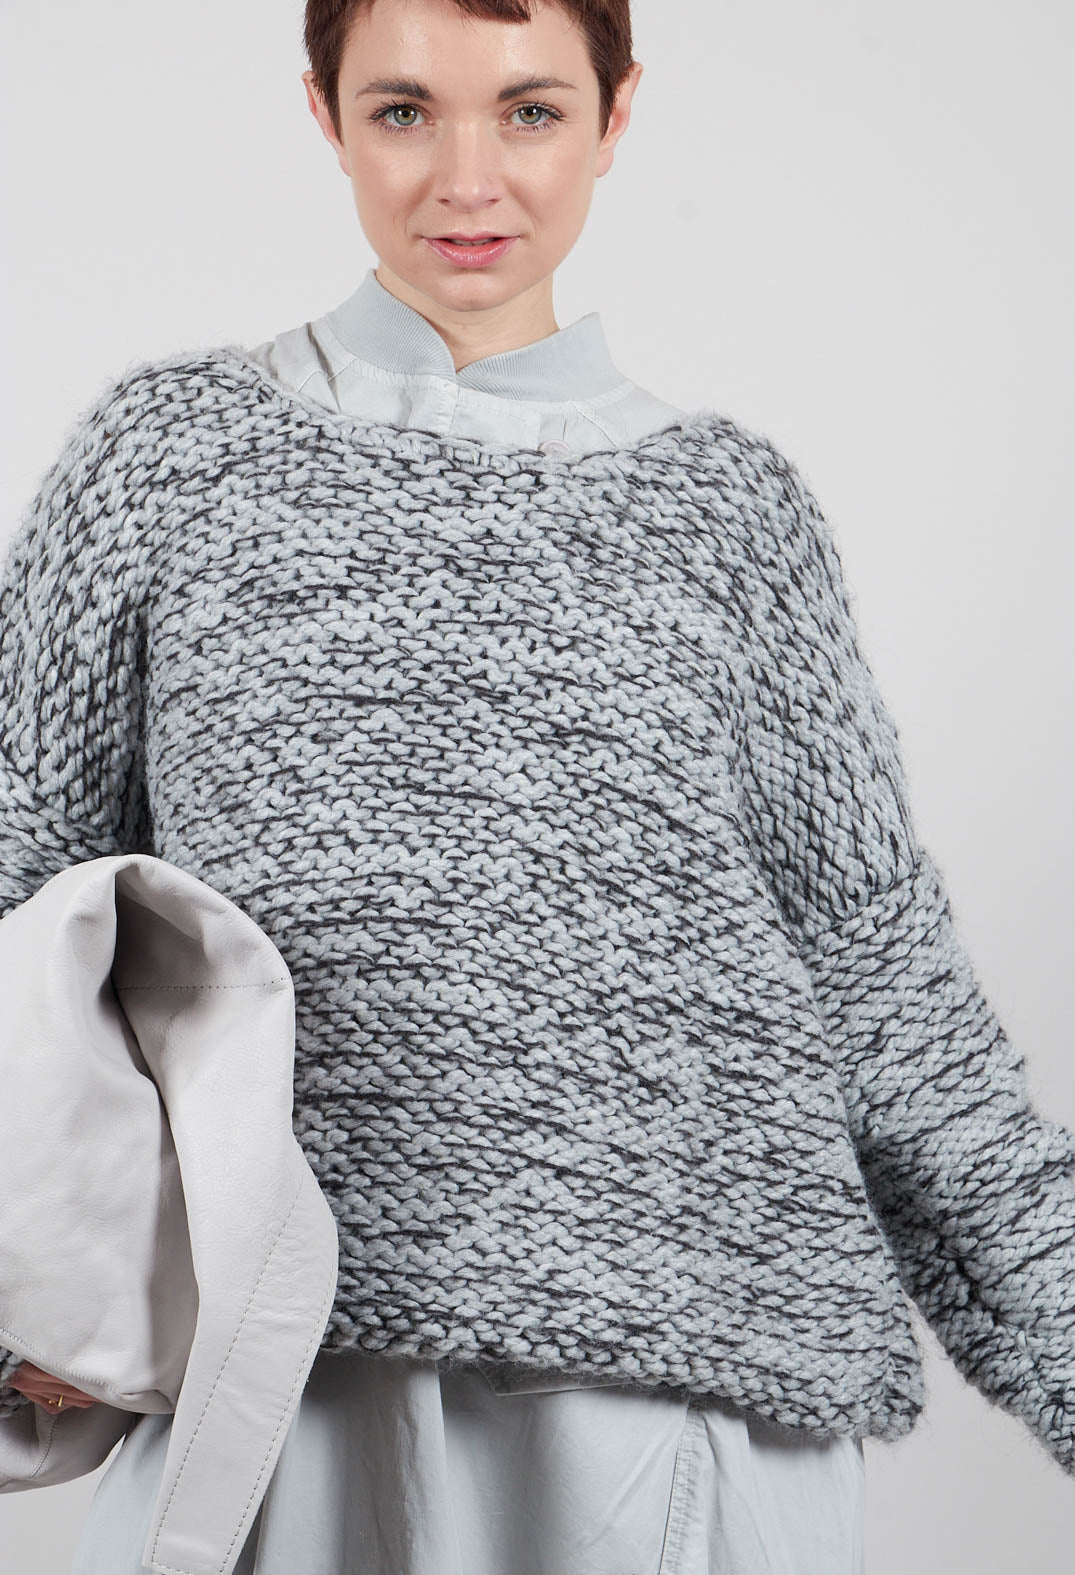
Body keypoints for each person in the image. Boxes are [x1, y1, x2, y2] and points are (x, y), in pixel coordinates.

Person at [1, 1, 1071, 1571]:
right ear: (325, 113)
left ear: (616, 114)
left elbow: (883, 989)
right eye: (403, 110)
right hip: (275, 1378)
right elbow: (23, 891)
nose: (467, 178)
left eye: (531, 111)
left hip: (678, 1402)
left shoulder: (733, 518)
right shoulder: (167, 462)